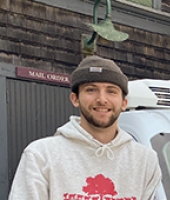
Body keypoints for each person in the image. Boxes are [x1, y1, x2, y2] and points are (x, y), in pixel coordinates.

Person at [9, 55, 161, 200]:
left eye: (111, 91)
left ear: (123, 103)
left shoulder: (145, 160)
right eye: (91, 89)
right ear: (75, 99)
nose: (102, 99)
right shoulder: (41, 155)